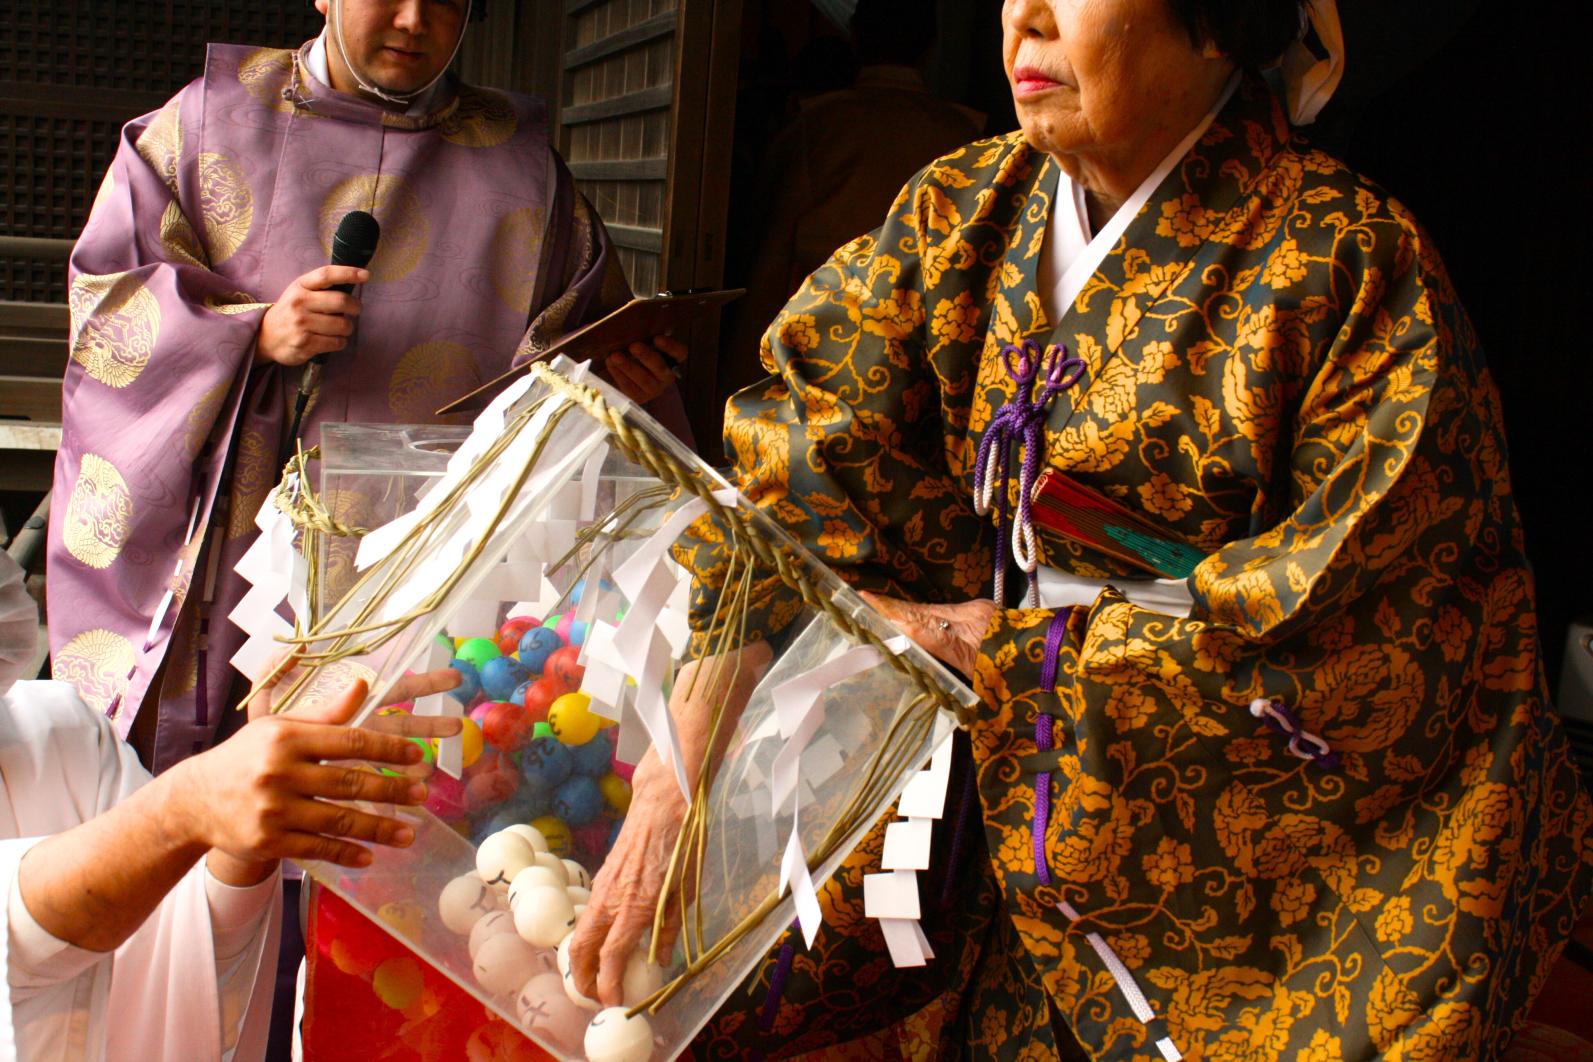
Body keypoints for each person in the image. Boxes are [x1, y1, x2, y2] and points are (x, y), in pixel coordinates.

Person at [572, 0, 1593, 1057]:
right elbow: (796, 468)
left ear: (1217, 23)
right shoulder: (960, 210)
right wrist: (675, 781)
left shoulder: (1349, 266)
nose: (1028, 17)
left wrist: (970, 646)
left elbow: (1379, 639)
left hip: (1197, 861)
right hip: (972, 819)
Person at [46, 0, 689, 776]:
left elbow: (576, 340)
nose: (414, 21)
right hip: (242, 538)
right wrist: (253, 333)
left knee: (407, 809)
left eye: (447, 1)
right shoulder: (208, 124)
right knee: (220, 807)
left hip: (435, 550)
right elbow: (113, 308)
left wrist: (615, 383)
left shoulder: (521, 167)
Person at [0, 550, 460, 1060]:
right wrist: (188, 805)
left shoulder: (57, 728)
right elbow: (20, 938)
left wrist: (245, 820)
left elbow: (169, 942)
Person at [723, 0, 985, 403]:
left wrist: (743, 372)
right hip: (934, 349)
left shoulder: (816, 126)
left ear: (856, 37)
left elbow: (770, 249)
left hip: (822, 339)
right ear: (931, 46)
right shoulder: (967, 138)